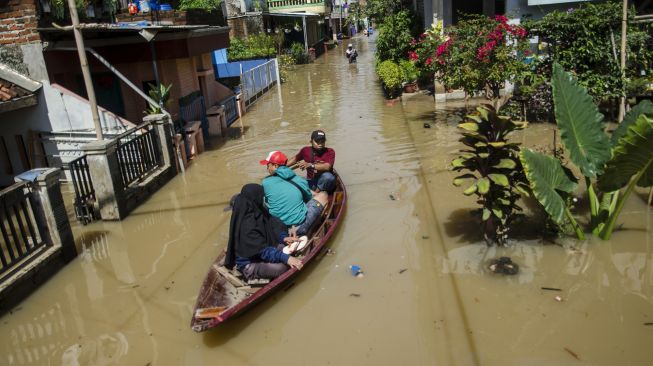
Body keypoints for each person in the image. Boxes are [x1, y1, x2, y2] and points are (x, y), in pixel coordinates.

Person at [224, 184, 303, 281]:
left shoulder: (257, 211)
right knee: (282, 267)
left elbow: (274, 224)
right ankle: (250, 274)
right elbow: (262, 250)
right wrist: (287, 259)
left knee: (286, 248)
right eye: (261, 197)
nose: (263, 200)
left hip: (262, 251)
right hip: (250, 263)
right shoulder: (247, 225)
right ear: (255, 198)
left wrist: (283, 237)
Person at [260, 150, 328, 236]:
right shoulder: (299, 180)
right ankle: (312, 228)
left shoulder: (265, 182)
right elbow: (308, 199)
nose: (267, 168)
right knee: (324, 195)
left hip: (280, 229)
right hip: (299, 227)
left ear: (275, 166)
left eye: (268, 165)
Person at [287, 130, 336, 194]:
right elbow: (295, 159)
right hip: (311, 181)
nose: (320, 144)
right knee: (295, 181)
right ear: (311, 141)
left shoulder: (330, 151)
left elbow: (327, 167)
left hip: (326, 183)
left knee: (328, 177)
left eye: (322, 141)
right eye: (317, 141)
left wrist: (310, 165)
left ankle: (314, 195)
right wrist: (281, 167)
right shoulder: (305, 150)